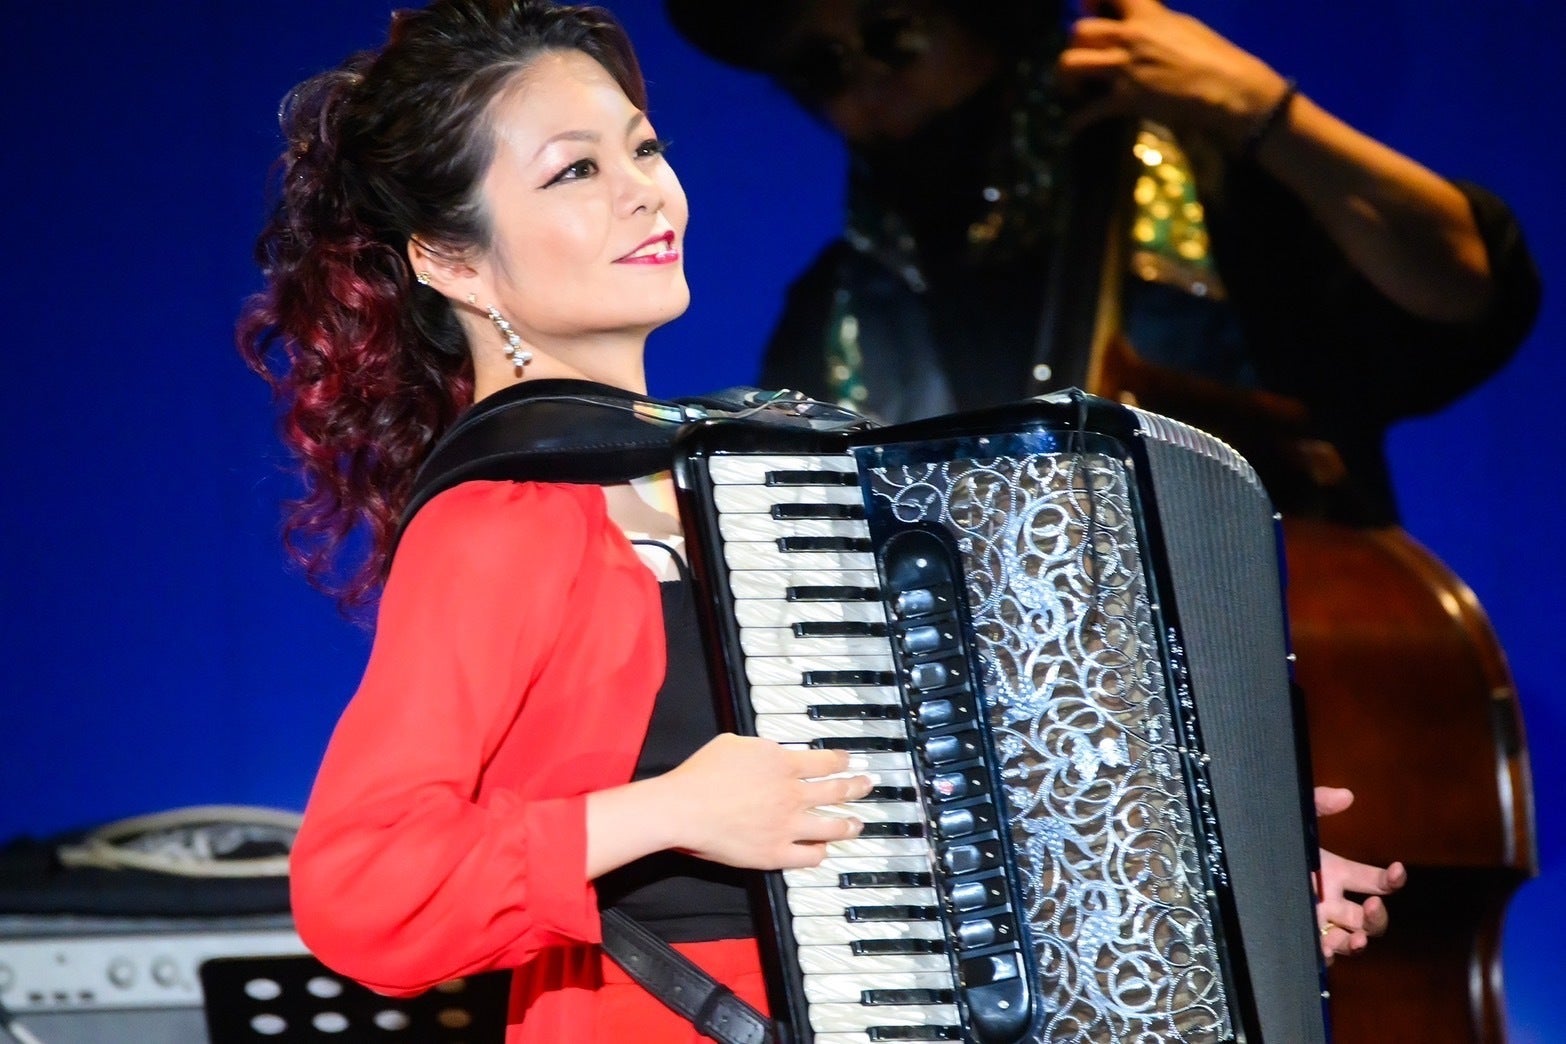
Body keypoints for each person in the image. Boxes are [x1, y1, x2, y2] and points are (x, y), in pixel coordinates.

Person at [238, 2, 1402, 1040]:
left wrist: (1197, 859)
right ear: (451, 260)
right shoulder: (506, 517)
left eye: (643, 147)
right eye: (574, 171)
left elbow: (923, 804)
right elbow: (362, 889)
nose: (645, 189)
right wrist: (668, 812)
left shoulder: (746, 487)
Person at [665, 0, 1541, 526]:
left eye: (894, 33)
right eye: (819, 65)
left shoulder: (1207, 181)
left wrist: (1261, 112)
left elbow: (1467, 286)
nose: (865, 80)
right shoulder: (832, 309)